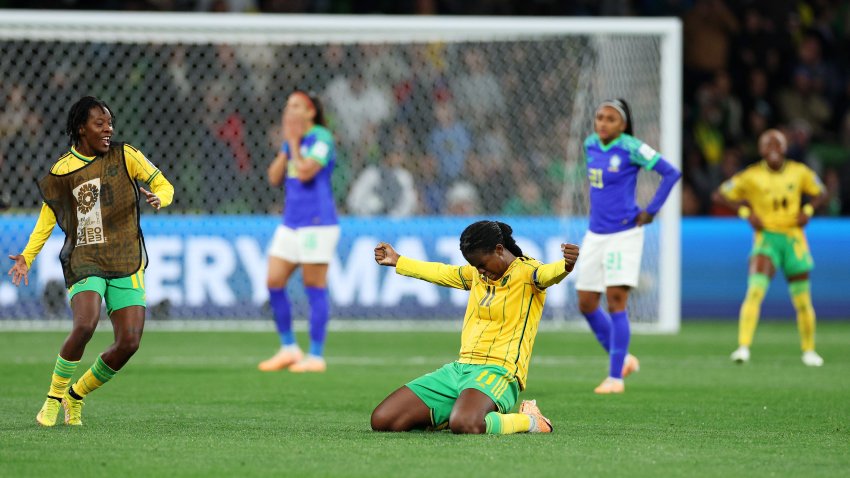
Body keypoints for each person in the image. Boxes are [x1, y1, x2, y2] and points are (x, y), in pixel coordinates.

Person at [7, 96, 174, 426]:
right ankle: (54, 398)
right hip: (85, 256)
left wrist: (160, 197)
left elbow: (162, 183)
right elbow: (47, 219)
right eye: (100, 124)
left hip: (126, 256)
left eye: (110, 123)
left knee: (129, 342)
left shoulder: (126, 155)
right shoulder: (63, 170)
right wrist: (27, 256)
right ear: (81, 128)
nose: (108, 129)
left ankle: (75, 396)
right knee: (85, 323)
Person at [371, 220, 579, 434]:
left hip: (498, 373)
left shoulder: (528, 273)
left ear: (499, 250)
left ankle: (530, 420)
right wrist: (398, 261)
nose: (479, 271)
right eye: (474, 266)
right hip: (460, 370)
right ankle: (459, 410)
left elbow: (547, 274)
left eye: (482, 264)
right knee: (383, 420)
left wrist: (566, 266)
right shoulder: (476, 274)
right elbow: (440, 271)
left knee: (466, 424)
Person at [575, 98, 681, 394]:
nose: (603, 123)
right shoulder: (590, 145)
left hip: (625, 233)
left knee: (616, 300)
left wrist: (652, 209)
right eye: (599, 117)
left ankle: (615, 378)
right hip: (595, 234)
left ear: (623, 124)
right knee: (585, 303)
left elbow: (671, 172)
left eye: (611, 118)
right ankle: (625, 359)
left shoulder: (633, 147)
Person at [712, 129, 827, 366]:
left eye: (778, 143)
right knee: (755, 291)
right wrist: (745, 212)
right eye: (768, 144)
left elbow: (822, 193)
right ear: (761, 149)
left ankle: (809, 350)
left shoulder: (799, 172)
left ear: (785, 147)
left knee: (803, 300)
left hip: (793, 240)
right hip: (766, 239)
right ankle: (743, 347)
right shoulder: (751, 176)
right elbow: (719, 195)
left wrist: (808, 211)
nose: (773, 148)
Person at [258, 90, 339, 373]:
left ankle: (316, 356)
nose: (289, 109)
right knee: (274, 281)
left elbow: (305, 172)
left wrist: (292, 142)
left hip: (317, 223)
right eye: (287, 104)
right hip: (291, 223)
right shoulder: (292, 140)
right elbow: (273, 177)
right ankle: (289, 348)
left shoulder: (321, 138)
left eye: (296, 105)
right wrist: (288, 143)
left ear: (310, 112)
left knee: (313, 287)